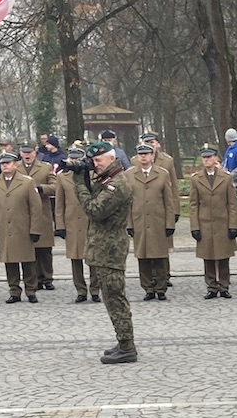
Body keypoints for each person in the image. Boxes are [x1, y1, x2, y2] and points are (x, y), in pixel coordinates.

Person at [74, 142, 137, 364]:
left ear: (112, 158)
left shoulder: (117, 184)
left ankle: (127, 346)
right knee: (111, 297)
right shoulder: (107, 179)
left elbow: (94, 210)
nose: (95, 165)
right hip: (103, 247)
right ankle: (123, 341)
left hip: (110, 249)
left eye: (98, 160)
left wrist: (78, 183)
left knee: (114, 297)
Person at [0, 151, 42, 303]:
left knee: (28, 262)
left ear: (15, 165)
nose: (5, 166)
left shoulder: (27, 182)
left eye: (8, 163)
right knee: (10, 262)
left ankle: (31, 290)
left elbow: (36, 208)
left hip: (23, 227)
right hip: (4, 228)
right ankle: (14, 290)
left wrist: (35, 229)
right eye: (2, 164)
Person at [126, 142, 179, 301]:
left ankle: (161, 288)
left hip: (158, 221)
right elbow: (128, 201)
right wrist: (129, 223)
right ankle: (148, 287)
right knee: (143, 257)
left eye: (146, 154)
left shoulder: (162, 174)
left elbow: (168, 201)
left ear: (152, 156)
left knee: (160, 257)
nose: (143, 157)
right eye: (140, 154)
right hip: (139, 220)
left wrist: (170, 223)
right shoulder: (129, 174)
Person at [186, 143, 237, 299]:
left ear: (216, 158)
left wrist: (233, 225)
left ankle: (224, 286)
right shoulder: (196, 179)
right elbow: (193, 204)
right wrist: (194, 226)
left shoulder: (226, 177)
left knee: (223, 256)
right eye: (204, 158)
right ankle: (211, 286)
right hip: (205, 223)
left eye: (209, 157)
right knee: (208, 256)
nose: (206, 160)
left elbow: (232, 204)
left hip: (222, 222)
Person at [52, 142, 95, 304]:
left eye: (77, 158)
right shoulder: (62, 177)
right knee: (75, 259)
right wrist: (60, 226)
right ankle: (81, 290)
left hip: (89, 221)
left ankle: (95, 289)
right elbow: (59, 204)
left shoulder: (91, 175)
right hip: (72, 223)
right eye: (71, 157)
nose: (74, 160)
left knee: (93, 257)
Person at [20, 142, 59, 290]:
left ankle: (47, 277)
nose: (27, 155)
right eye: (24, 152)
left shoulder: (45, 167)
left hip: (42, 211)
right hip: (23, 212)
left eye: (29, 152)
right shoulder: (15, 167)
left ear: (35, 152)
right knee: (29, 248)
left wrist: (40, 188)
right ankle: (32, 278)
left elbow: (55, 187)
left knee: (44, 248)